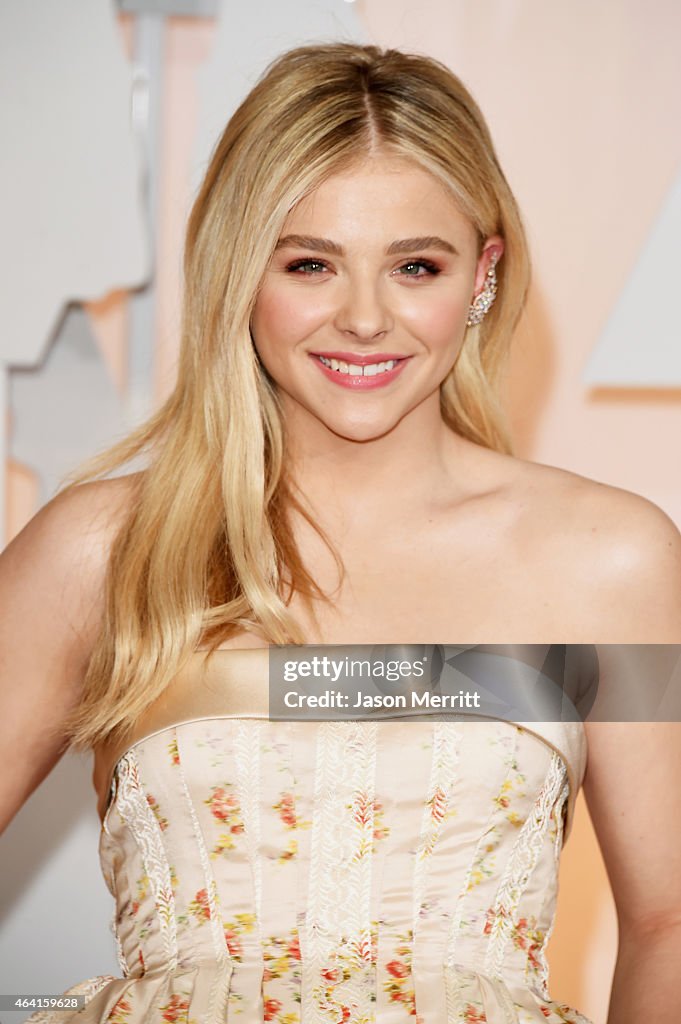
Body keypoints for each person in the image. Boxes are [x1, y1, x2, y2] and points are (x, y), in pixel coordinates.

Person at [1, 41, 680, 1024]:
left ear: (482, 276)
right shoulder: (100, 550)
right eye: (311, 264)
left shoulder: (611, 558)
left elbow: (666, 922)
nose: (365, 319)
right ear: (240, 272)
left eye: (416, 265)